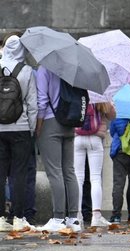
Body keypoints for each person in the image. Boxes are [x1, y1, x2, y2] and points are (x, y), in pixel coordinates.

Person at [35, 65, 82, 232]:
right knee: (69, 170)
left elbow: (41, 100)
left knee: (55, 172)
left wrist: (39, 126)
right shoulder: (73, 68)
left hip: (50, 122)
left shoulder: (44, 69)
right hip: (69, 122)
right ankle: (74, 219)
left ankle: (58, 217)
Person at [0, 34, 36, 232]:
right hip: (21, 128)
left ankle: (0, 219)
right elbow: (32, 104)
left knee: (0, 173)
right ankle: (19, 217)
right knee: (19, 174)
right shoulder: (27, 70)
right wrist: (31, 129)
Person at [73, 101, 115, 228]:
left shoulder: (76, 91)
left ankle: (77, 215)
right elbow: (112, 115)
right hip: (95, 138)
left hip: (77, 137)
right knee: (95, 178)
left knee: (78, 178)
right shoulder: (98, 94)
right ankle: (96, 216)